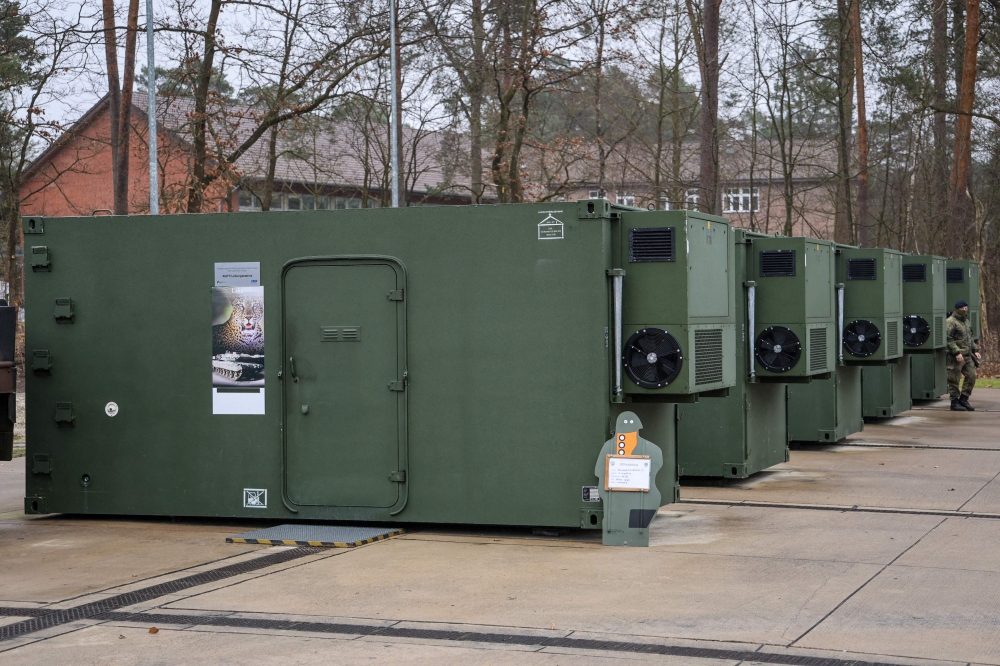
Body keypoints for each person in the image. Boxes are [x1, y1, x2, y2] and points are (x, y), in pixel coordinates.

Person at [946, 300, 980, 411]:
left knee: (971, 376)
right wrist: (956, 352)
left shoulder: (966, 322)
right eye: (962, 309)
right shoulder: (950, 322)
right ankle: (954, 402)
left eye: (966, 308)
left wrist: (975, 350)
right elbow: (948, 339)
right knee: (954, 379)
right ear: (957, 309)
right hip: (955, 356)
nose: (965, 311)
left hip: (967, 355)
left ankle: (963, 399)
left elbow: (969, 338)